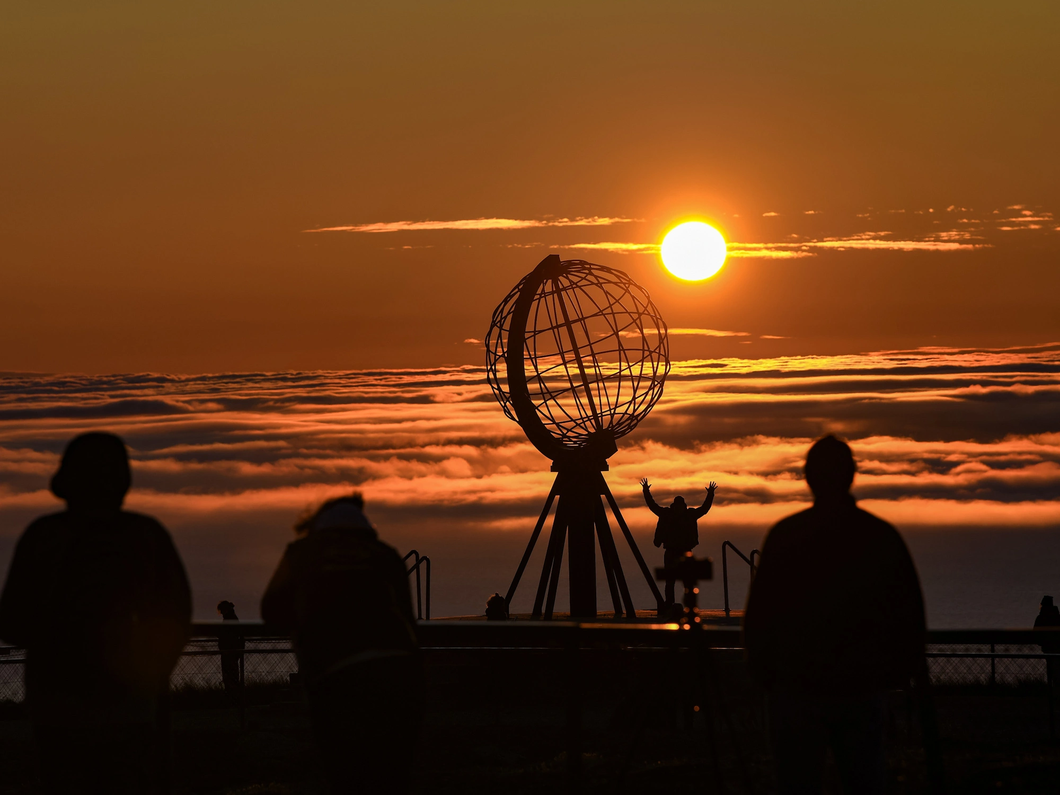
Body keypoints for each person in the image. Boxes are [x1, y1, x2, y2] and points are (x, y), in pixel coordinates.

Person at [0, 432, 192, 795]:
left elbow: (12, 621)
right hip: (132, 705)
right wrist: (148, 674)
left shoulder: (43, 536)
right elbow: (175, 618)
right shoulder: (146, 536)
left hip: (57, 705)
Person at [743, 435, 925, 795]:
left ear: (807, 477)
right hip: (859, 688)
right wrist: (892, 677)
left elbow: (760, 615)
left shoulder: (785, 535)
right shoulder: (879, 536)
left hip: (795, 690)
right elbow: (909, 613)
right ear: (852, 475)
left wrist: (767, 677)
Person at [261, 493, 421, 795]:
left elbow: (271, 610)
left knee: (345, 767)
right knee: (394, 769)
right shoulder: (384, 554)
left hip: (336, 672)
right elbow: (407, 618)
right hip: (400, 670)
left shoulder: (303, 554)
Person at [641, 477, 717, 608]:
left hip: (678, 551)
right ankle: (678, 604)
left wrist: (646, 490)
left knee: (679, 581)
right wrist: (710, 494)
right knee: (677, 581)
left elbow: (652, 506)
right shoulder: (687, 514)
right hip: (677, 551)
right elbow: (704, 509)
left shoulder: (669, 514)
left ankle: (675, 603)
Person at [216, 600, 245, 696]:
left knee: (230, 674)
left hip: (229, 651)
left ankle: (232, 694)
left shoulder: (230, 620)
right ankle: (233, 693)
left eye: (222, 610)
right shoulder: (232, 619)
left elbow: (227, 635)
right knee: (231, 673)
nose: (221, 613)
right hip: (230, 650)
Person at [1034, 595, 1060, 690]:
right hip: (1057, 647)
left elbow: (1036, 634)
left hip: (1048, 647)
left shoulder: (1041, 618)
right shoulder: (1057, 617)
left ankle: (1052, 689)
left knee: (1051, 668)